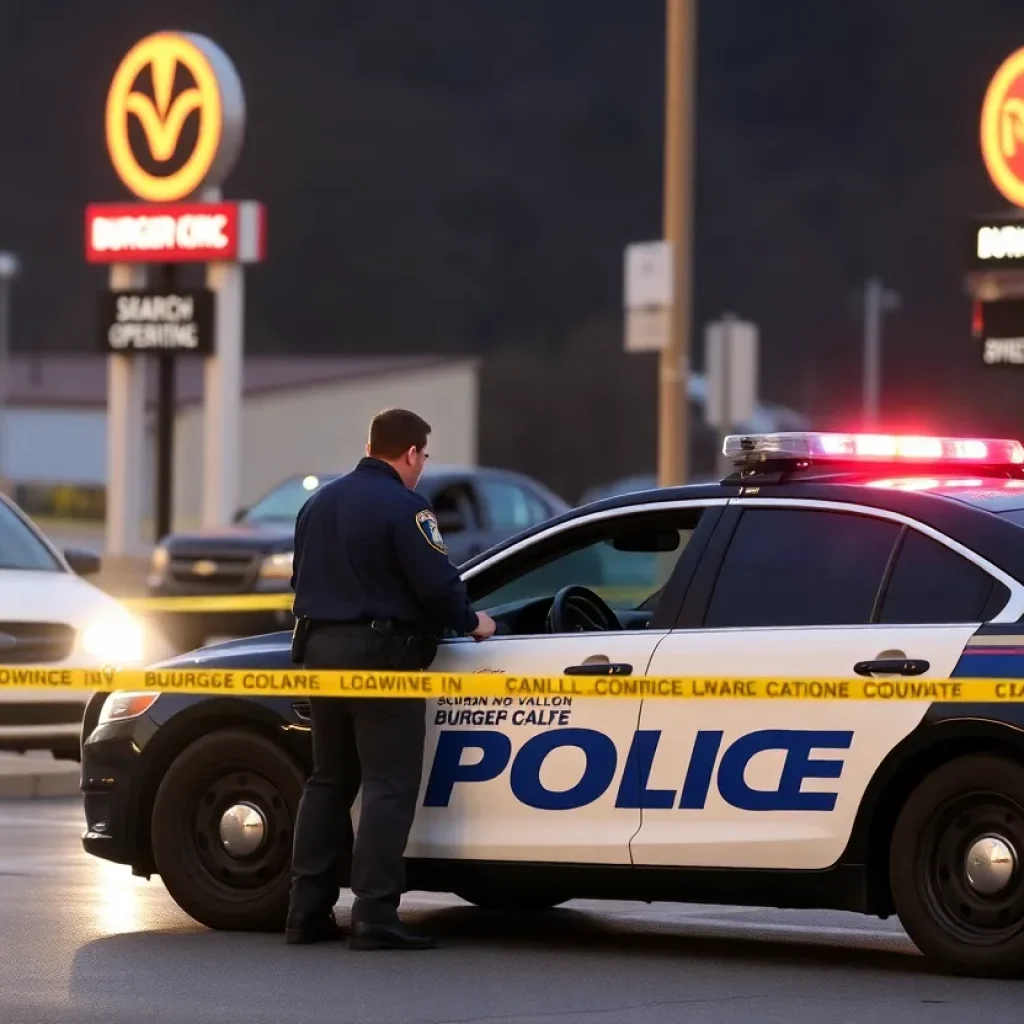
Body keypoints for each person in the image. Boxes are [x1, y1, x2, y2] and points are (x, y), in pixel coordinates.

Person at [284, 408, 496, 951]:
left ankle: (305, 912)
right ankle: (374, 915)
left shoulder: (317, 503)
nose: (422, 468)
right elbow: (437, 585)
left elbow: (298, 580)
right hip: (382, 661)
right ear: (410, 453)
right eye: (423, 458)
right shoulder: (407, 507)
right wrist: (475, 623)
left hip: (319, 654)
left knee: (327, 782)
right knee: (388, 785)